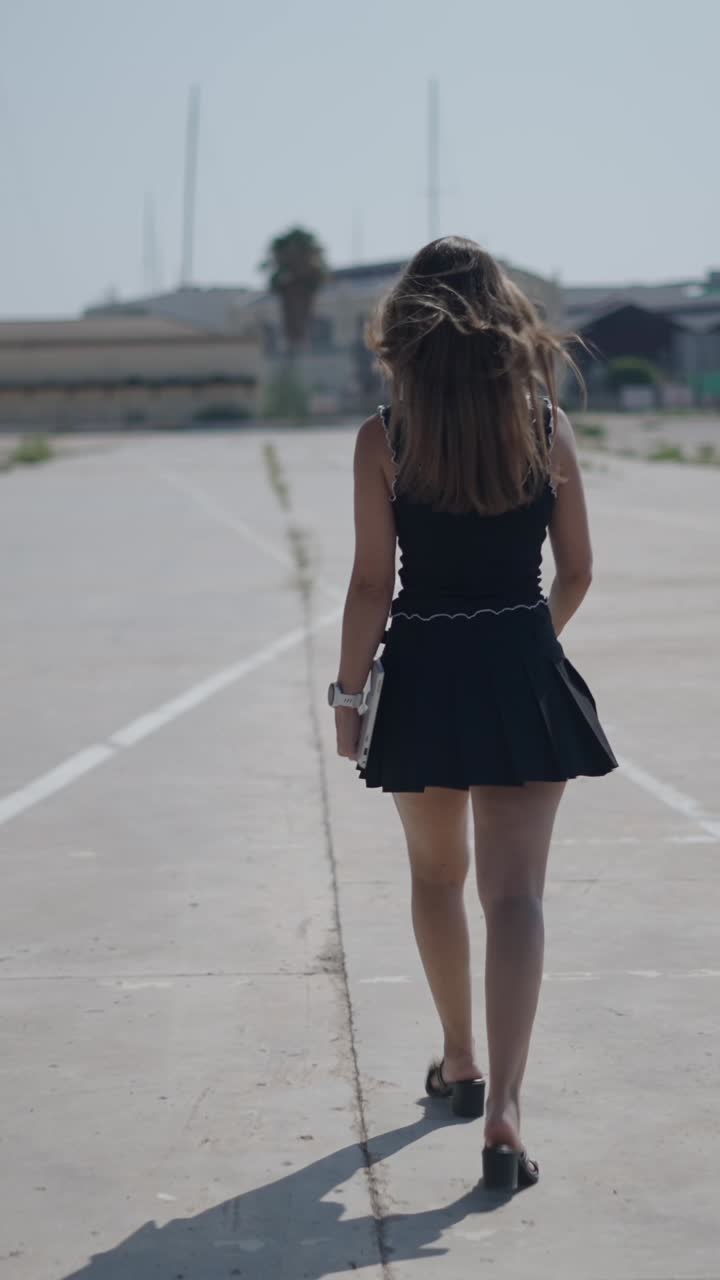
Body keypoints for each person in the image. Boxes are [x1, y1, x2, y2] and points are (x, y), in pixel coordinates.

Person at [329, 236, 617, 1191]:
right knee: (517, 896)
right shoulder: (545, 426)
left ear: (405, 332)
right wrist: (528, 641)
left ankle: (460, 1059)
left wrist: (347, 695)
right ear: (507, 327)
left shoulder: (385, 437)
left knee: (436, 876)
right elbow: (575, 571)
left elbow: (373, 581)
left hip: (421, 676)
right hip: (519, 673)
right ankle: (504, 1116)